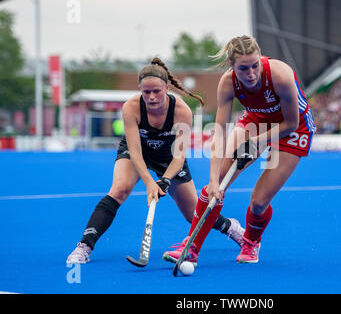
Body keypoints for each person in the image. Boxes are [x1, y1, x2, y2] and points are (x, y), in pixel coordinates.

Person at [67, 58, 244, 264]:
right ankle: (84, 247)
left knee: (192, 214)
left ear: (167, 88)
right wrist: (150, 183)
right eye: (146, 92)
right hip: (138, 151)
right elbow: (134, 152)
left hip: (169, 157)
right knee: (119, 190)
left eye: (157, 91)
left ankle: (230, 226)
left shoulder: (182, 111)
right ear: (140, 90)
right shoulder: (131, 108)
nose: (151, 97)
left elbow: (179, 157)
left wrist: (165, 180)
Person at [163, 35, 316, 266]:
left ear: (261, 59)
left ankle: (251, 242)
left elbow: (291, 124)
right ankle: (191, 247)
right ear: (232, 66)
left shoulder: (280, 75)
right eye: (243, 69)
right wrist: (214, 180)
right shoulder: (227, 83)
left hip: (294, 129)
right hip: (256, 120)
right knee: (217, 184)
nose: (251, 74)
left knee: (258, 203)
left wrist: (257, 141)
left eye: (255, 66)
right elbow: (220, 133)